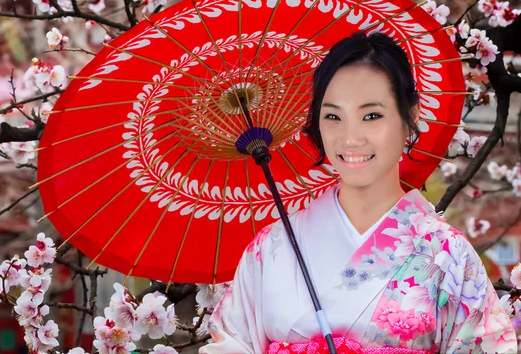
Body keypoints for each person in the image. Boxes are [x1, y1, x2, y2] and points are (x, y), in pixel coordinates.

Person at [198, 32, 517, 354]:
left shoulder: (447, 255)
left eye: (372, 116)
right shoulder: (272, 248)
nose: (351, 139)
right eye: (333, 116)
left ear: (411, 118)